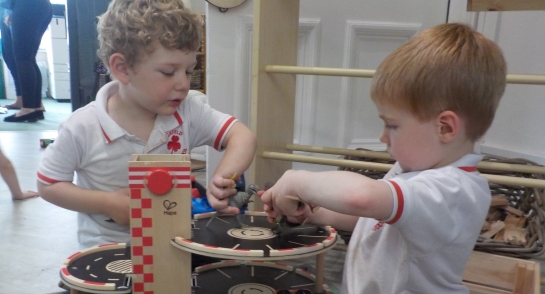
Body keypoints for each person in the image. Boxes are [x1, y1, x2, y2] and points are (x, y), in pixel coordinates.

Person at [259, 23, 507, 293]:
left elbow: (362, 198)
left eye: (392, 125)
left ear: (445, 128)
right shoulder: (415, 171)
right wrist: (316, 214)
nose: (383, 137)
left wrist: (297, 179)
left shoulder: (451, 190)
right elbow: (376, 224)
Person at [36, 0, 256, 250]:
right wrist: (107, 203)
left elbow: (242, 137)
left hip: (175, 244)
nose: (184, 84)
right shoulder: (81, 127)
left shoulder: (188, 111)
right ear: (122, 68)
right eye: (168, 72)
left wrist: (222, 179)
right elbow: (49, 185)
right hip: (109, 250)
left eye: (188, 70)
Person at [2, 0, 51, 122]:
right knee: (28, 59)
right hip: (40, 6)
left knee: (23, 58)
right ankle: (35, 107)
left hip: (26, 5)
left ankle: (28, 109)